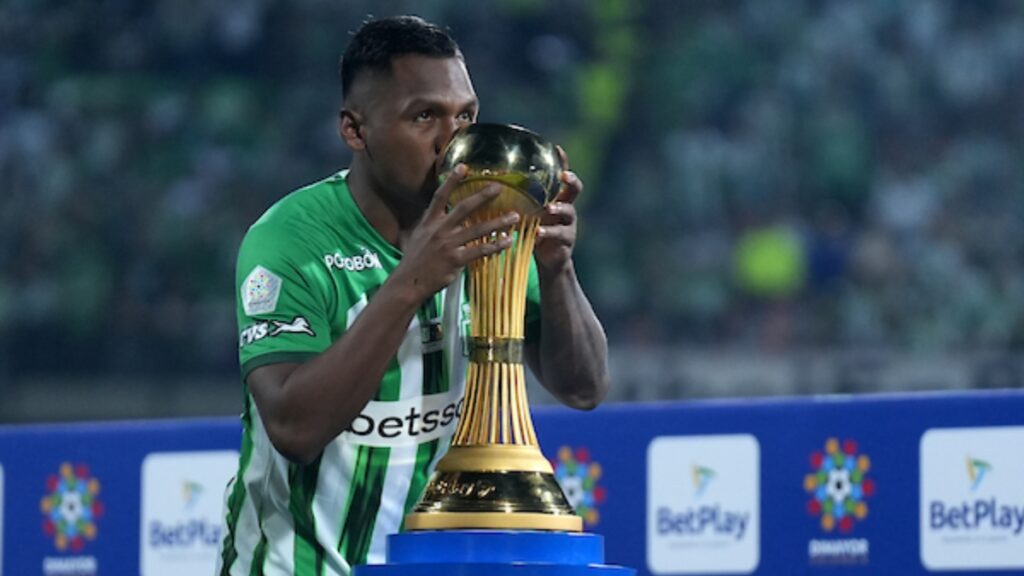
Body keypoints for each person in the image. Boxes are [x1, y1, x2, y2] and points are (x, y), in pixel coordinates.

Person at [217, 15, 609, 576]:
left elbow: (584, 387)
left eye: (466, 115)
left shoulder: (489, 225)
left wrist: (556, 267)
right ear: (355, 130)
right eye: (425, 116)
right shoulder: (291, 239)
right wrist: (411, 282)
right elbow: (294, 430)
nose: (456, 140)